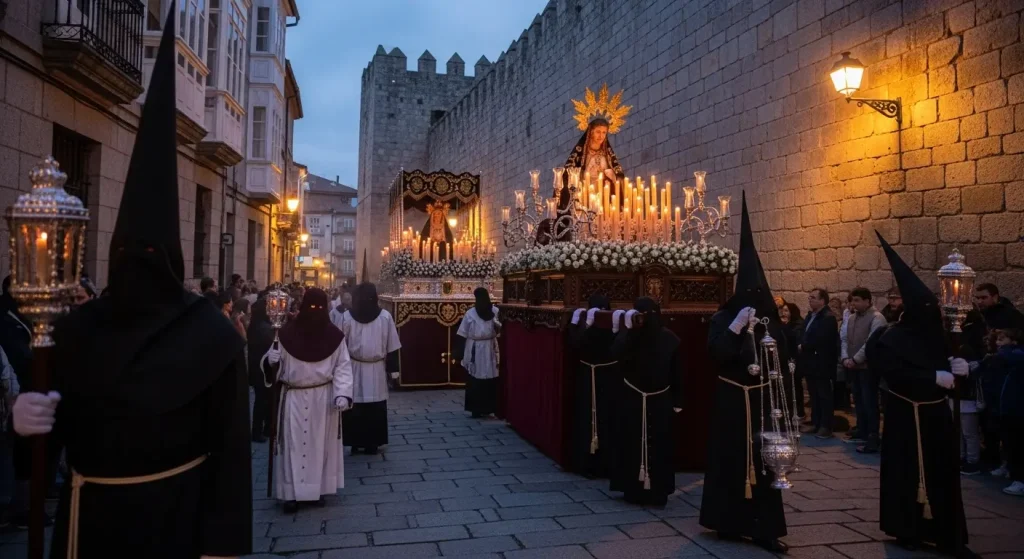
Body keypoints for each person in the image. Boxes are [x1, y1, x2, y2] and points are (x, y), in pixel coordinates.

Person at [11, 10, 252, 556]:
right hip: (88, 523)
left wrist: (220, 549)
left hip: (176, 524)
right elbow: (42, 459)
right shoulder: (75, 334)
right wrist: (25, 426)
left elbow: (230, 459)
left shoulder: (212, 340)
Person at [869, 232, 973, 556]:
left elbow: (949, 369)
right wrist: (933, 376)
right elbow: (894, 375)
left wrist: (960, 368)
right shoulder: (891, 338)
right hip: (906, 414)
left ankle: (947, 534)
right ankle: (907, 529)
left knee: (942, 473)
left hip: (936, 414)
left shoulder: (939, 335)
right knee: (906, 473)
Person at [700, 193, 788, 554]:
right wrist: (735, 328)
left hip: (762, 399)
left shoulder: (769, 319)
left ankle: (765, 528)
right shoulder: (723, 317)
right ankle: (727, 521)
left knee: (765, 463)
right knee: (730, 458)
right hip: (732, 399)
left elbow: (783, 359)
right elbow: (716, 354)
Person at [262, 288, 353, 513]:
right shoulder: (285, 335)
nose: (315, 311)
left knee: (318, 446)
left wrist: (342, 393)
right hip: (293, 396)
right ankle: (290, 494)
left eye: (319, 307)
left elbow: (342, 367)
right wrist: (270, 361)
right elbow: (273, 367)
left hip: (323, 399)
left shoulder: (335, 337)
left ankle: (315, 491)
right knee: (292, 445)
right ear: (303, 308)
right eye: (311, 307)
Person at [609, 297, 682, 506]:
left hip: (657, 399)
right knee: (632, 443)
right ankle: (633, 489)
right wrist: (627, 330)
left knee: (659, 445)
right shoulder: (631, 337)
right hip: (634, 397)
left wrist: (677, 399)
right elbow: (615, 355)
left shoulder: (669, 339)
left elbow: (676, 372)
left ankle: (657, 490)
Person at [333, 283, 401, 455]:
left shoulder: (350, 317)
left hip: (359, 366)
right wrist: (393, 370)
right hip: (367, 366)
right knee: (369, 405)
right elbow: (392, 346)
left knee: (360, 404)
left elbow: (392, 344)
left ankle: (359, 442)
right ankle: (369, 442)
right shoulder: (383, 317)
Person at [567, 293, 621, 478]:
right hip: (608, 377)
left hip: (589, 376)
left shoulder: (586, 328)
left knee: (588, 417)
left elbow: (575, 342)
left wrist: (575, 324)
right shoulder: (615, 326)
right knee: (607, 417)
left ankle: (588, 463)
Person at [841, 287, 887, 452]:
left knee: (869, 401)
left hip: (868, 367)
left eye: (857, 300)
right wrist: (845, 357)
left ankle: (873, 435)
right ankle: (862, 429)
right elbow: (845, 339)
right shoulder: (852, 318)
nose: (854, 303)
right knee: (858, 400)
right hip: (853, 366)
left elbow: (870, 342)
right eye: (852, 300)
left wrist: (855, 359)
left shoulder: (877, 318)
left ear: (868, 301)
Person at [799, 288, 839, 439]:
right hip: (810, 362)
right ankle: (816, 423)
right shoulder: (811, 316)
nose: (810, 300)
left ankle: (825, 426)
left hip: (822, 363)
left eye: (813, 297)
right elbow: (804, 333)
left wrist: (804, 346)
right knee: (814, 395)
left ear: (823, 300)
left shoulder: (828, 318)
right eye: (809, 297)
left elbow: (822, 339)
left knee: (824, 395)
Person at [456, 288, 501, 418]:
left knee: (489, 375)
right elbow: (463, 333)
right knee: (477, 375)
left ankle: (486, 407)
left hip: (489, 346)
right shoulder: (471, 313)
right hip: (477, 347)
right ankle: (480, 408)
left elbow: (462, 333)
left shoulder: (494, 311)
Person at [994, 328, 1024, 496]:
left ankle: (1019, 480)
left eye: (1002, 339)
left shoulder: (1017, 355)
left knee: (1016, 446)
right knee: (1009, 444)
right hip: (1008, 408)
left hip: (1017, 410)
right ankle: (1011, 471)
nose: (998, 343)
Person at [247, 298, 276, 443]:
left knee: (264, 399)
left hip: (258, 366)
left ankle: (264, 428)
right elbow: (271, 343)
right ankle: (258, 431)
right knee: (262, 400)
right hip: (262, 368)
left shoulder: (256, 325)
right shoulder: (263, 328)